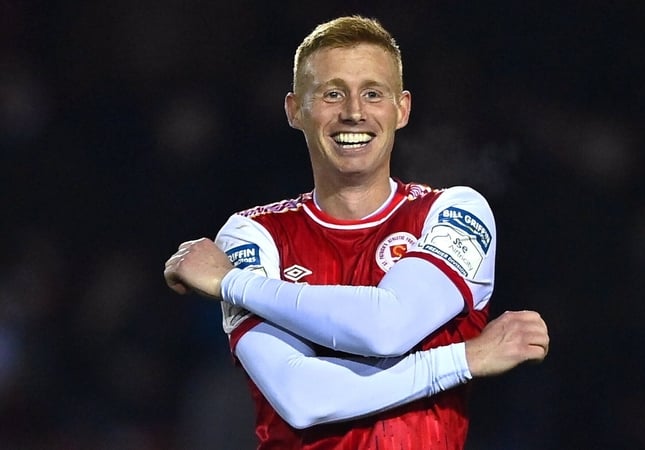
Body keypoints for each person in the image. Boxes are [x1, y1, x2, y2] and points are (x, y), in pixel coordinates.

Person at [164, 15, 549, 450]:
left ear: (401, 109)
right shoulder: (252, 234)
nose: (353, 112)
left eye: (372, 93)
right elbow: (303, 397)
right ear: (295, 110)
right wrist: (466, 359)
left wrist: (231, 282)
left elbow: (388, 326)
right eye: (332, 94)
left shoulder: (454, 211)